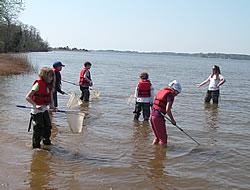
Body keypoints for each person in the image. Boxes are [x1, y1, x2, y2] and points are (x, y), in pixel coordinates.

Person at [26, 67, 56, 149]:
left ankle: (46, 143)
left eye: (52, 76)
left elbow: (51, 98)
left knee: (48, 126)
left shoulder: (48, 86)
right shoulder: (38, 85)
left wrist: (52, 106)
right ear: (44, 76)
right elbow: (28, 97)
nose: (51, 78)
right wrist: (36, 105)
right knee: (38, 129)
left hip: (44, 110)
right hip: (36, 111)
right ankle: (36, 147)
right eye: (49, 76)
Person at [150, 80, 182, 147]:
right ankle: (162, 156)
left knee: (157, 137)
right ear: (174, 90)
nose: (176, 95)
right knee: (163, 139)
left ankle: (152, 151)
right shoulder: (170, 95)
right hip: (158, 117)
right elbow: (167, 110)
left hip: (152, 115)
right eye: (177, 93)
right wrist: (172, 120)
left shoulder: (162, 91)